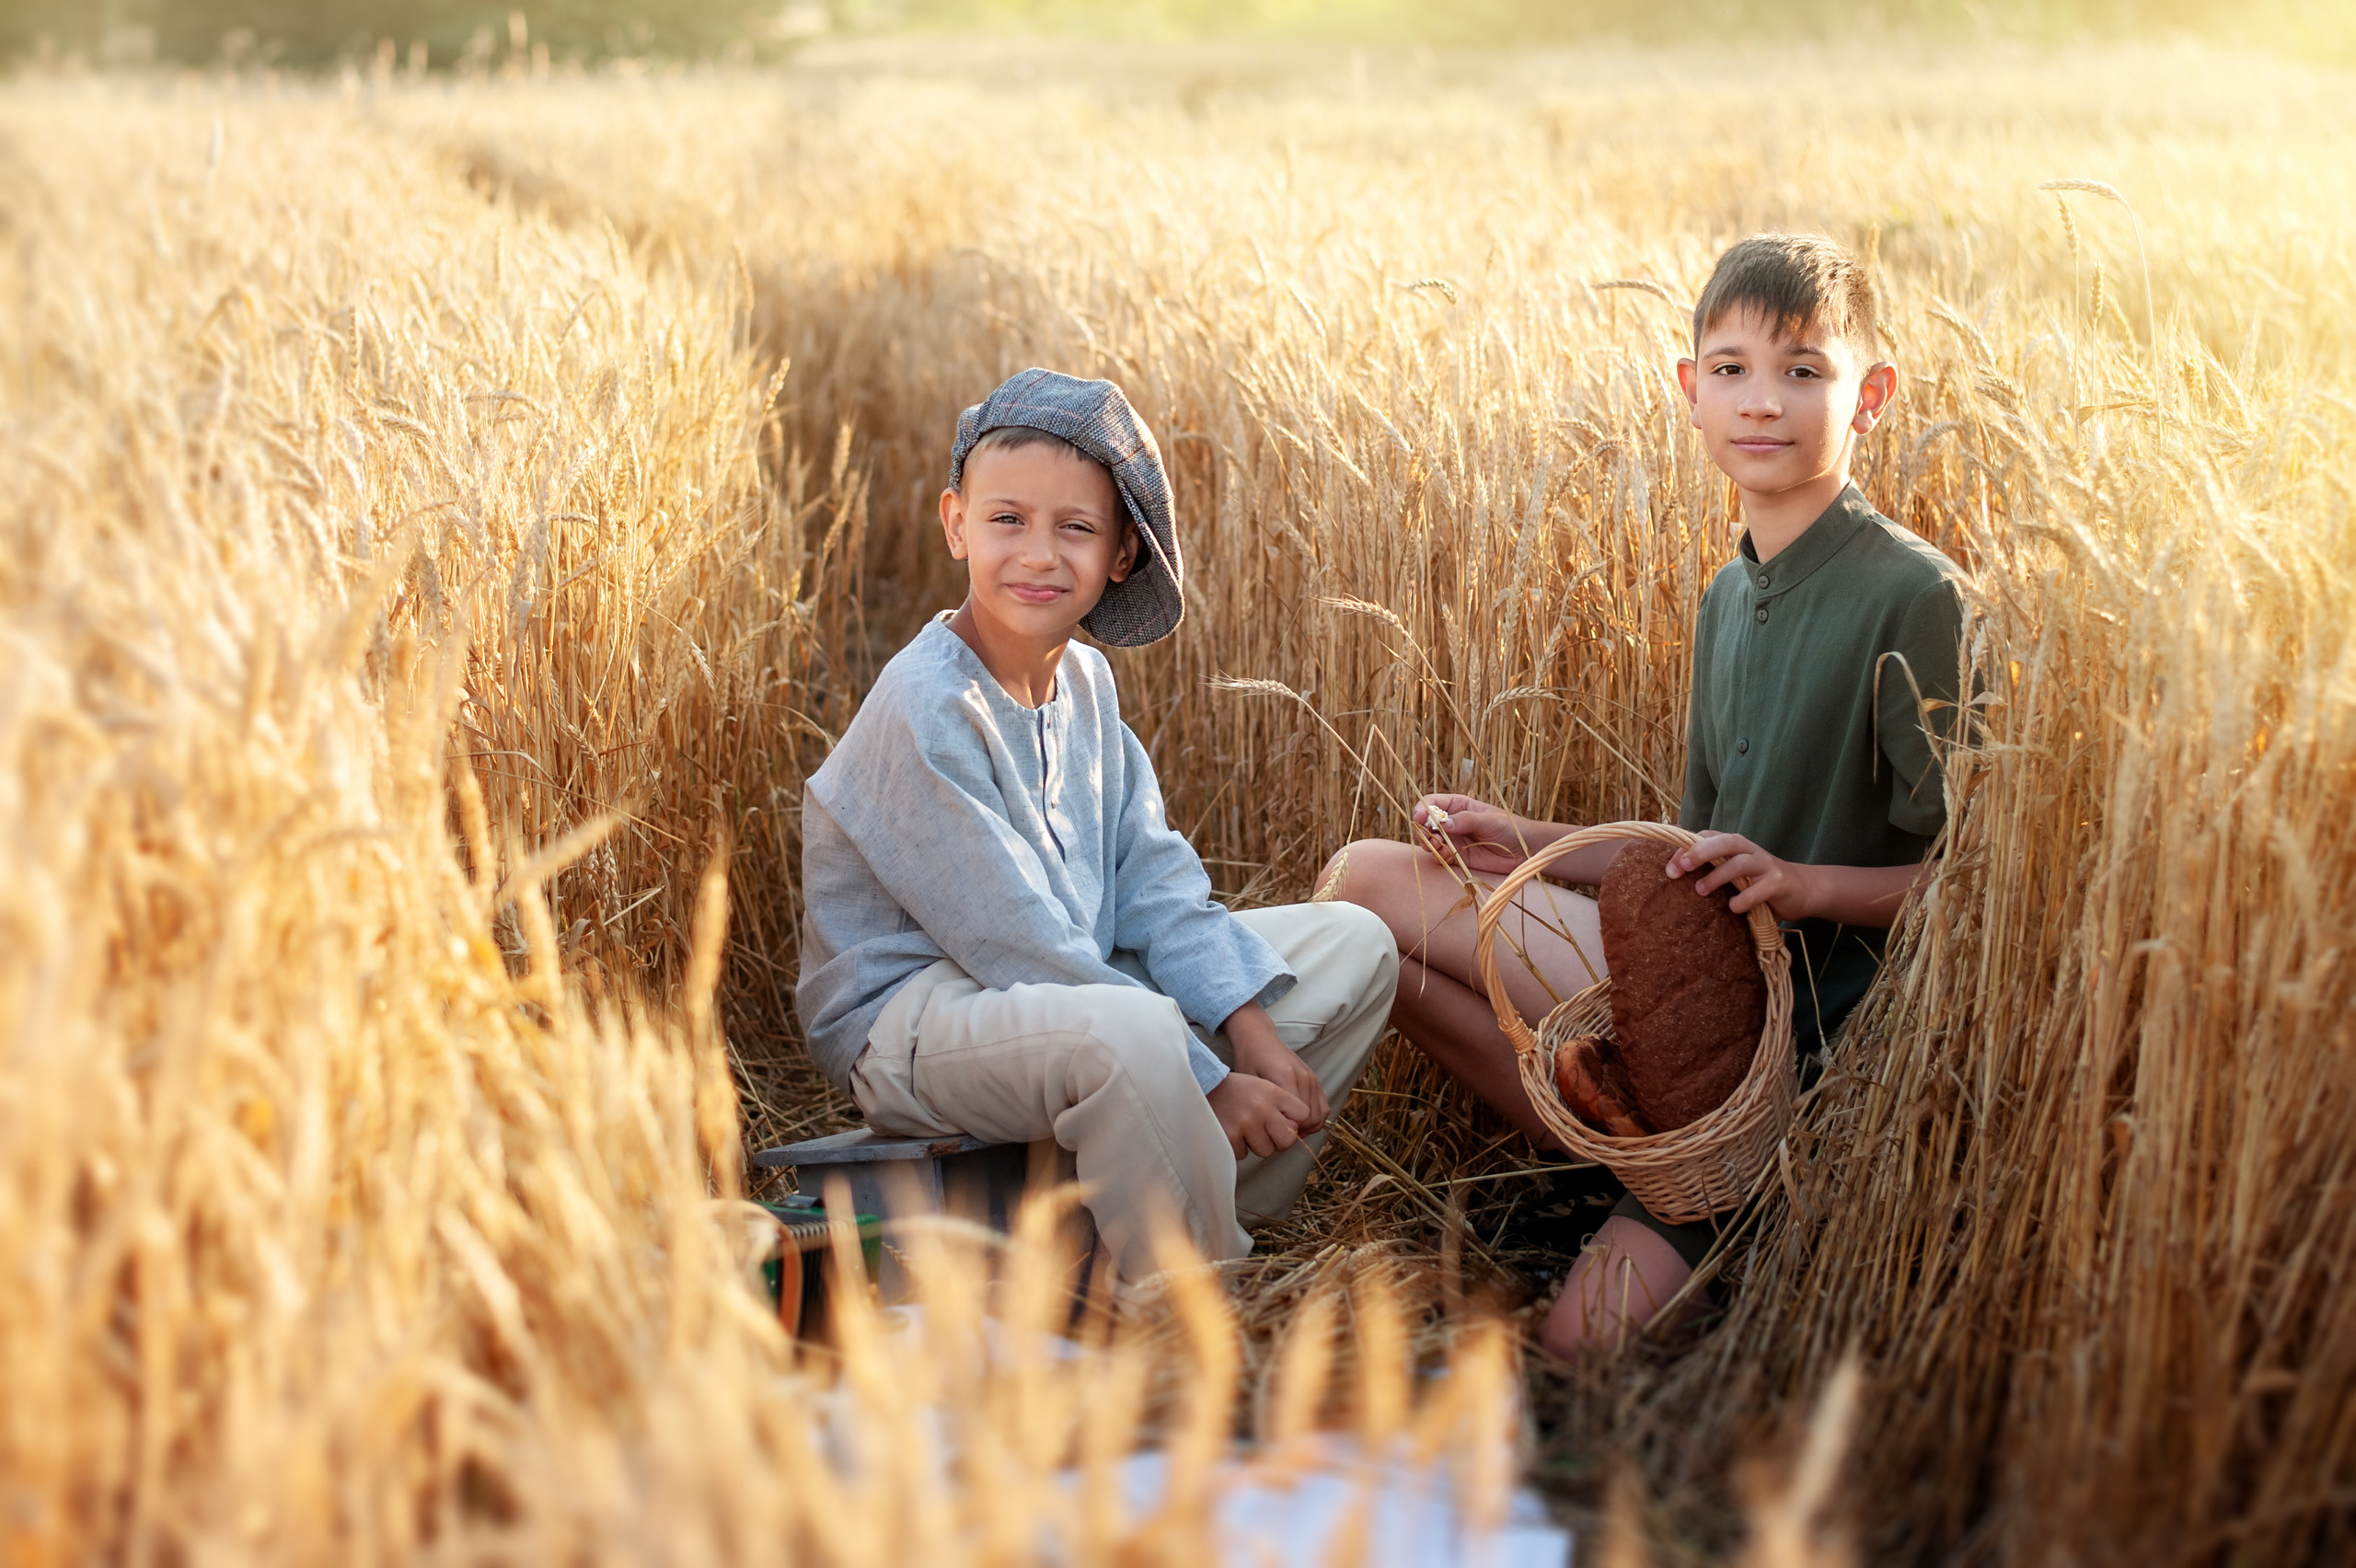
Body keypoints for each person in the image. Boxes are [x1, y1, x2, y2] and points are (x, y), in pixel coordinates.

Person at [1322, 234, 1966, 1356]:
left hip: (1799, 1038)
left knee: (1573, 1354)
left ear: (1869, 397)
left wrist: (1806, 886)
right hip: (1691, 1001)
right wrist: (1507, 838)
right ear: (1689, 391)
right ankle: (1649, 1165)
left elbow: (1978, 886)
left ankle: (1739, 1196)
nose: (1760, 402)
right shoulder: (1728, 594)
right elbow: (1682, 859)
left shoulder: (1912, 597)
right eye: (1729, 369)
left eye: (1802, 371)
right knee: (1368, 895)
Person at [795, 368, 1398, 1288]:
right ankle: (1190, 1303)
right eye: (1008, 520)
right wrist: (1211, 1077)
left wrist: (1254, 1035)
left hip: (1070, 986)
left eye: (1074, 528)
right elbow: (1014, 936)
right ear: (956, 522)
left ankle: (1167, 1211)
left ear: (1121, 554)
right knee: (1137, 1033)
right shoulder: (926, 704)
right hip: (919, 1020)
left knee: (1354, 944)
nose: (1038, 554)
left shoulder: (1085, 683)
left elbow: (1154, 882)